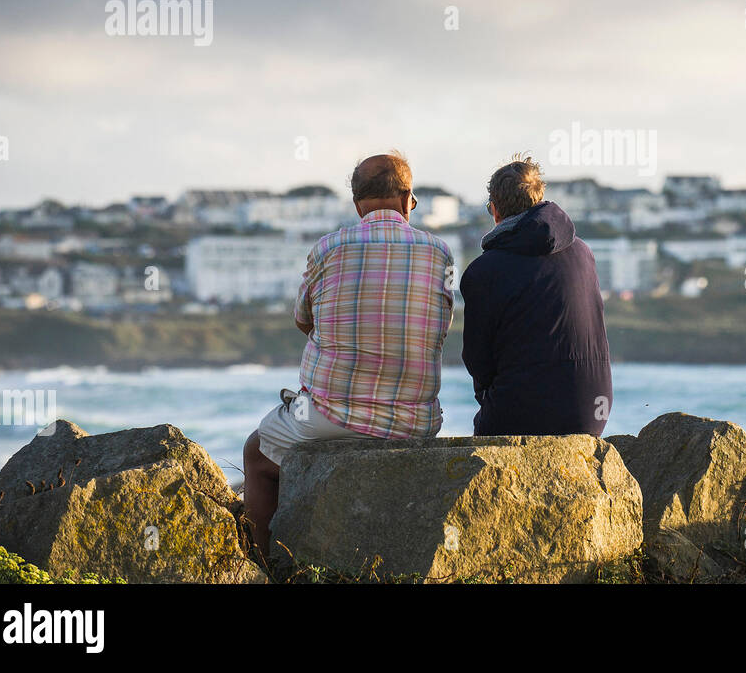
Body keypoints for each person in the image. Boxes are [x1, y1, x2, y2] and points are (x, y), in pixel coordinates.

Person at [243, 152, 454, 558]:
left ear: (358, 204)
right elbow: (439, 328)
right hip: (415, 421)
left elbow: (303, 320)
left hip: (328, 418)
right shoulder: (440, 252)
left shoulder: (328, 248)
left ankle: (264, 563)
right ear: (409, 198)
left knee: (257, 451)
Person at [459, 155, 613, 437]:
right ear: (539, 197)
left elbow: (477, 360)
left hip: (523, 414)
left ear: (494, 209)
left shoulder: (483, 272)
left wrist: (492, 401)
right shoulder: (584, 253)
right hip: (594, 412)